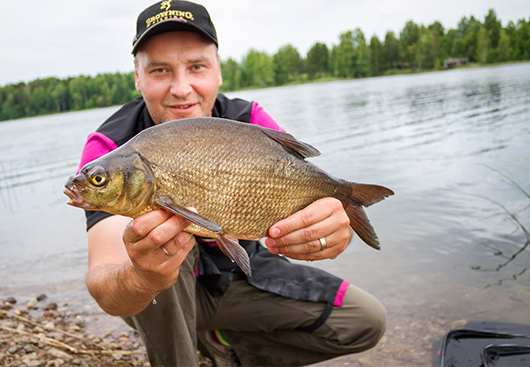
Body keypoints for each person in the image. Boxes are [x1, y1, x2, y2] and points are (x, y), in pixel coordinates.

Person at [78, 1, 386, 366]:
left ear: (218, 70)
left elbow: (309, 194)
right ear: (137, 76)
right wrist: (142, 277)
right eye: (160, 70)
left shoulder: (250, 120)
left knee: (366, 320)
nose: (181, 88)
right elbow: (105, 285)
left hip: (238, 277)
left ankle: (225, 347)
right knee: (165, 238)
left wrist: (332, 230)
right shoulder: (111, 149)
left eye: (196, 66)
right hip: (161, 297)